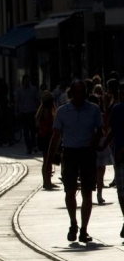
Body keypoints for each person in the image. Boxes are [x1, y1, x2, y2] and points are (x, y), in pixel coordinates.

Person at [45, 80, 103, 243]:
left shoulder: (93, 110)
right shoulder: (63, 112)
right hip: (69, 154)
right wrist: (49, 159)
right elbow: (56, 136)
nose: (79, 96)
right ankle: (73, 223)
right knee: (70, 191)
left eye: (82, 93)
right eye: (76, 93)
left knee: (87, 192)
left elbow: (100, 129)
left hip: (87, 153)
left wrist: (94, 144)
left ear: (85, 93)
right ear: (71, 94)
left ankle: (84, 229)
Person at [106, 82, 124, 237]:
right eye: (121, 92)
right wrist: (103, 144)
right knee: (121, 193)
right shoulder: (117, 109)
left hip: (121, 154)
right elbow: (112, 129)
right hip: (119, 156)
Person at [94, 93, 114, 205]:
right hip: (101, 142)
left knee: (97, 171)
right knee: (100, 172)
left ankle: (97, 194)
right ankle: (99, 194)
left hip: (95, 143)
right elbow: (107, 128)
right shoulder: (102, 115)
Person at [37, 92, 58, 190]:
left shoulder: (42, 110)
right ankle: (47, 182)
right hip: (47, 137)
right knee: (47, 161)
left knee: (46, 160)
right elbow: (50, 125)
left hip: (43, 137)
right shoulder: (48, 111)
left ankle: (47, 181)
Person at [14, 75, 40, 154]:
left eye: (28, 80)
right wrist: (16, 111)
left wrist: (38, 111)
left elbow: (37, 100)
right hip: (24, 113)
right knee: (25, 131)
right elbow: (17, 102)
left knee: (33, 130)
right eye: (25, 80)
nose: (27, 82)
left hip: (32, 112)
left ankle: (33, 145)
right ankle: (28, 147)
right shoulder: (19, 91)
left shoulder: (33, 89)